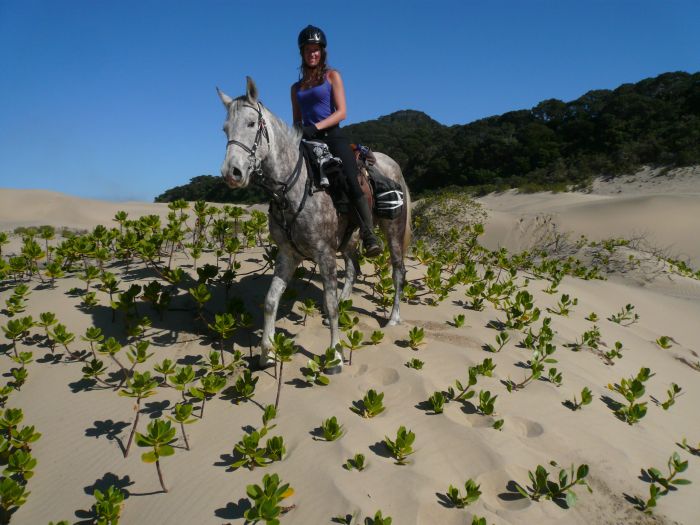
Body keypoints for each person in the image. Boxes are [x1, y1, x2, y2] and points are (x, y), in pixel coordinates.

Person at [291, 24, 383, 257]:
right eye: (308, 49)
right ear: (302, 52)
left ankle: (368, 234)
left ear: (322, 52)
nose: (313, 53)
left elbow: (342, 112)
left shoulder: (332, 76)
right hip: (307, 140)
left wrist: (316, 127)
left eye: (316, 49)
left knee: (351, 178)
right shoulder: (296, 88)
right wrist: (300, 132)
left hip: (332, 136)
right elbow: (296, 120)